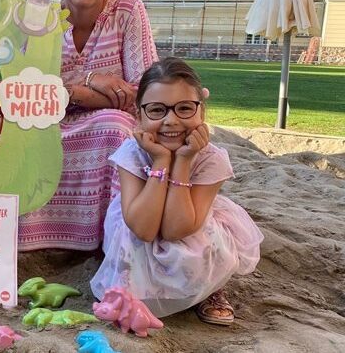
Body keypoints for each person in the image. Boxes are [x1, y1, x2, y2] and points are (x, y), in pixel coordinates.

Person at [18, 0, 159, 251]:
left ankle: (114, 240)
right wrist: (89, 82)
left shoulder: (127, 10)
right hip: (50, 128)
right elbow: (25, 95)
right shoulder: (39, 22)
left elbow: (146, 92)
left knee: (116, 129)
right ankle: (49, 237)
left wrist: (66, 92)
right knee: (21, 141)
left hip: (112, 130)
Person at [90, 57, 263, 325]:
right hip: (141, 221)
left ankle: (208, 288)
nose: (171, 120)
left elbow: (176, 229)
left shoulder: (211, 158)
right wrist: (160, 161)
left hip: (190, 222)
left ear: (201, 112)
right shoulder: (132, 153)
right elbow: (144, 229)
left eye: (184, 108)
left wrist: (183, 161)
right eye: (157, 110)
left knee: (201, 242)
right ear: (139, 115)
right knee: (133, 242)